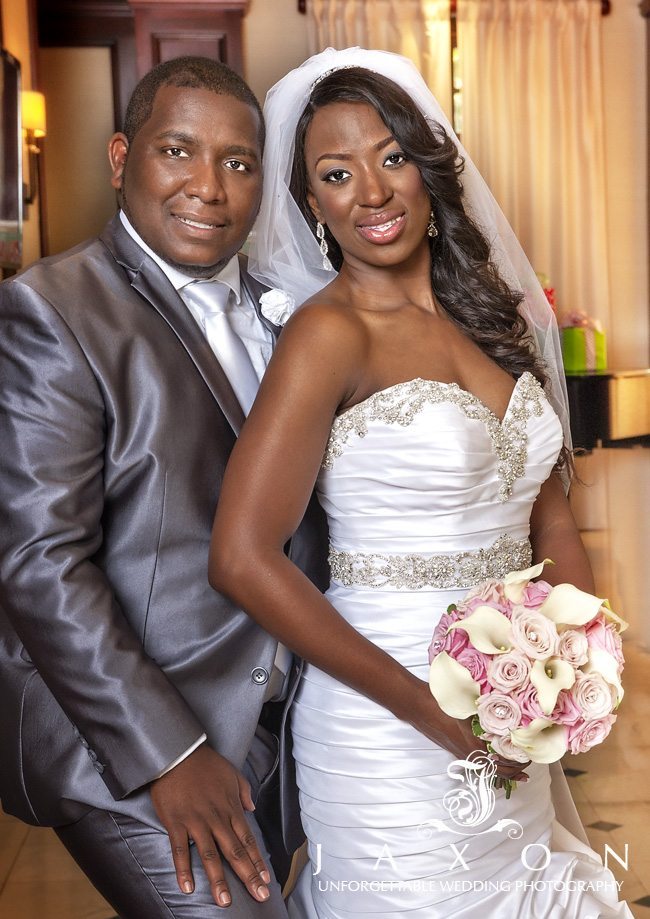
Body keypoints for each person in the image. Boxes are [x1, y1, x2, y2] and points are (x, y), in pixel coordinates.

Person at [209, 48, 632, 917]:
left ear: (429, 165)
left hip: (507, 718)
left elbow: (548, 519)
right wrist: (431, 714)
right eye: (336, 173)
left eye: (392, 156)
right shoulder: (328, 338)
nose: (372, 191)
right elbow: (242, 556)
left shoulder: (490, 320)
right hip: (386, 726)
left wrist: (564, 659)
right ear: (313, 205)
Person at [0, 56, 327, 918]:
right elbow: (39, 562)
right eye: (177, 151)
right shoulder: (53, 309)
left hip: (283, 723)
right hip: (129, 739)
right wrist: (171, 755)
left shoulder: (285, 309)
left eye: (238, 162)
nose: (209, 187)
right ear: (120, 159)